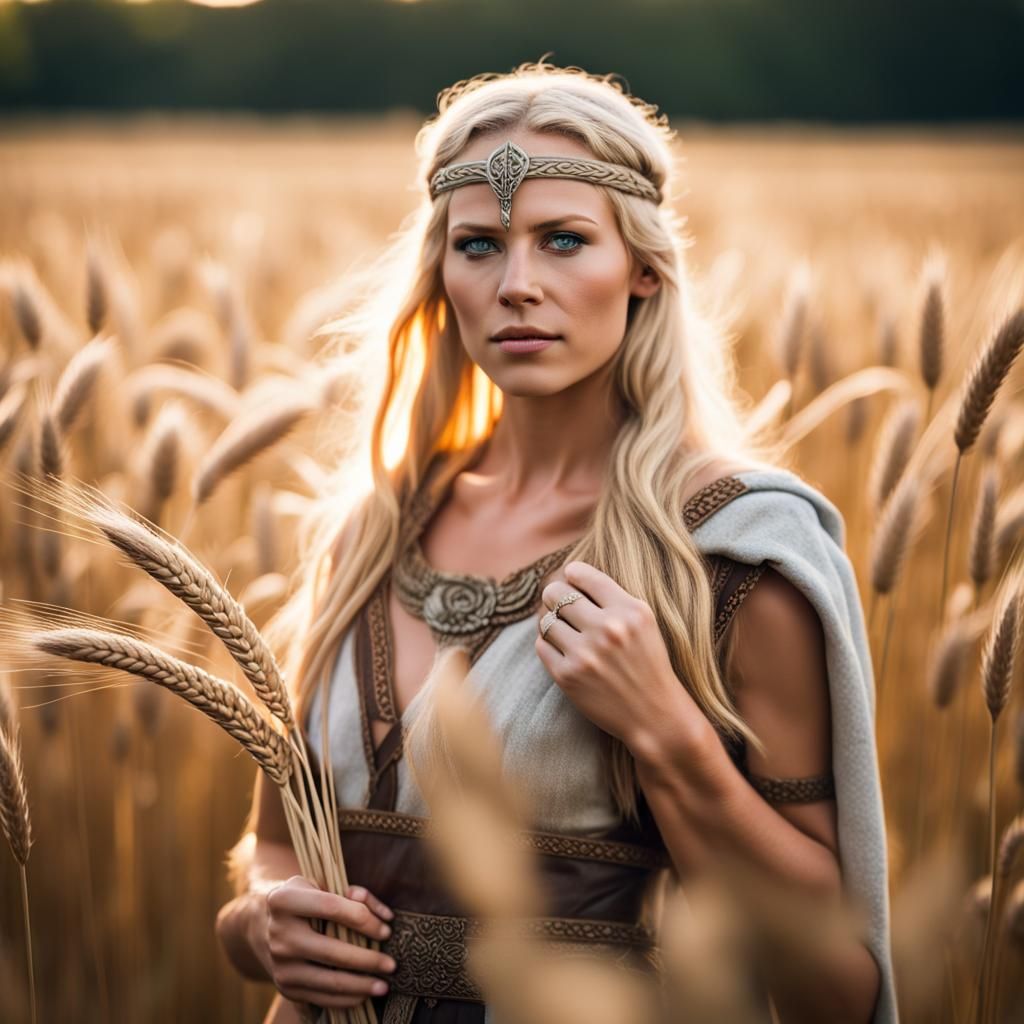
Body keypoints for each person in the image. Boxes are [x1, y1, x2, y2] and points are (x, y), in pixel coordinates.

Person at [215, 61, 896, 1024]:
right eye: (480, 245)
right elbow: (275, 850)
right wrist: (260, 924)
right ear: (441, 274)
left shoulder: (737, 559)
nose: (517, 285)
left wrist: (668, 733)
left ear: (646, 268)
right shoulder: (370, 532)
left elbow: (837, 989)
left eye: (565, 241)